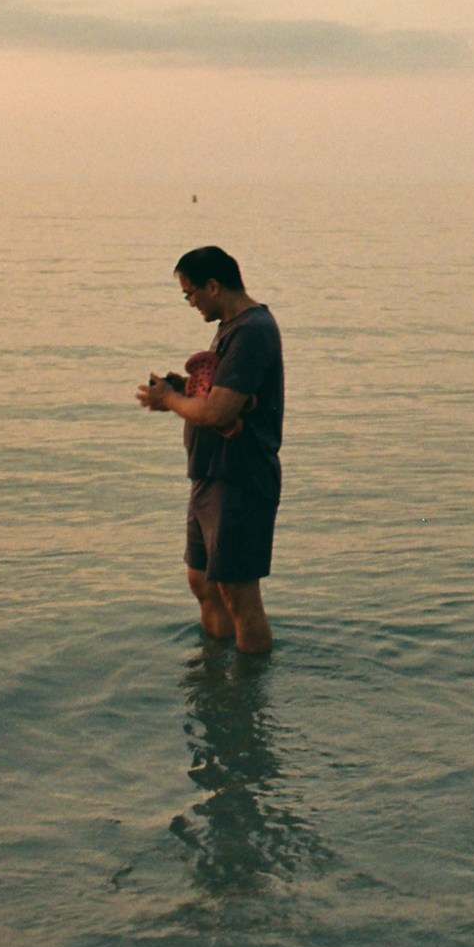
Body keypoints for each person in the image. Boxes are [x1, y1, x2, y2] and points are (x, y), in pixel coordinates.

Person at [137, 245, 285, 657]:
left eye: (190, 293)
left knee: (238, 592)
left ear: (214, 286)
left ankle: (249, 691)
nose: (190, 302)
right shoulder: (231, 328)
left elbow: (219, 409)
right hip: (210, 474)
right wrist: (180, 389)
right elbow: (217, 393)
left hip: (240, 477)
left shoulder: (251, 332)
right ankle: (217, 677)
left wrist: (168, 400)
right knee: (202, 582)